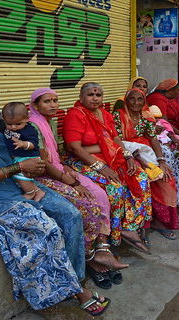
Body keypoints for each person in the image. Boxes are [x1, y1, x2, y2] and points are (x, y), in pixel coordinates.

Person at [0, 84, 110, 316]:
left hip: (21, 184)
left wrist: (37, 162)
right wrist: (18, 167)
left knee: (71, 214)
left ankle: (76, 278)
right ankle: (76, 291)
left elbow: (32, 150)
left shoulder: (6, 125)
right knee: (47, 228)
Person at [28, 87, 127, 289]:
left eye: (55, 100)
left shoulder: (50, 122)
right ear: (35, 105)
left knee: (99, 194)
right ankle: (90, 258)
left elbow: (54, 155)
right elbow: (42, 163)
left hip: (57, 169)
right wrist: (70, 180)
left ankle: (103, 249)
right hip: (42, 177)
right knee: (86, 205)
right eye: (47, 101)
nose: (53, 105)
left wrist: (65, 168)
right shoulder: (33, 126)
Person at [63, 82, 152, 254]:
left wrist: (128, 156)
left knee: (140, 178)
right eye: (90, 95)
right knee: (115, 186)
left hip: (110, 156)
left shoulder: (104, 114)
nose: (95, 98)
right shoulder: (76, 114)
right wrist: (100, 166)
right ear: (81, 97)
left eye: (98, 95)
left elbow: (116, 139)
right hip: (82, 160)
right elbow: (74, 147)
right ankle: (117, 231)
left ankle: (130, 225)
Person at [113, 88, 179, 240]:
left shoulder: (146, 117)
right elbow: (116, 140)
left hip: (144, 151)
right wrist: (140, 160)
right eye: (132, 99)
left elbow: (153, 138)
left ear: (144, 101)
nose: (136, 103)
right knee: (144, 178)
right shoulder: (118, 116)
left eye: (140, 99)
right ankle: (142, 223)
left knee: (165, 178)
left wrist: (161, 161)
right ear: (126, 101)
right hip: (125, 153)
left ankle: (159, 221)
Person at [2, 102, 45, 201]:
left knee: (19, 176)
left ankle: (29, 193)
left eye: (18, 124)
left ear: (27, 118)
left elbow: (34, 144)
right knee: (21, 177)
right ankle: (38, 192)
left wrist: (23, 144)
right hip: (19, 157)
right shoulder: (7, 126)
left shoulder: (29, 130)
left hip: (29, 157)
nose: (13, 127)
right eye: (9, 124)